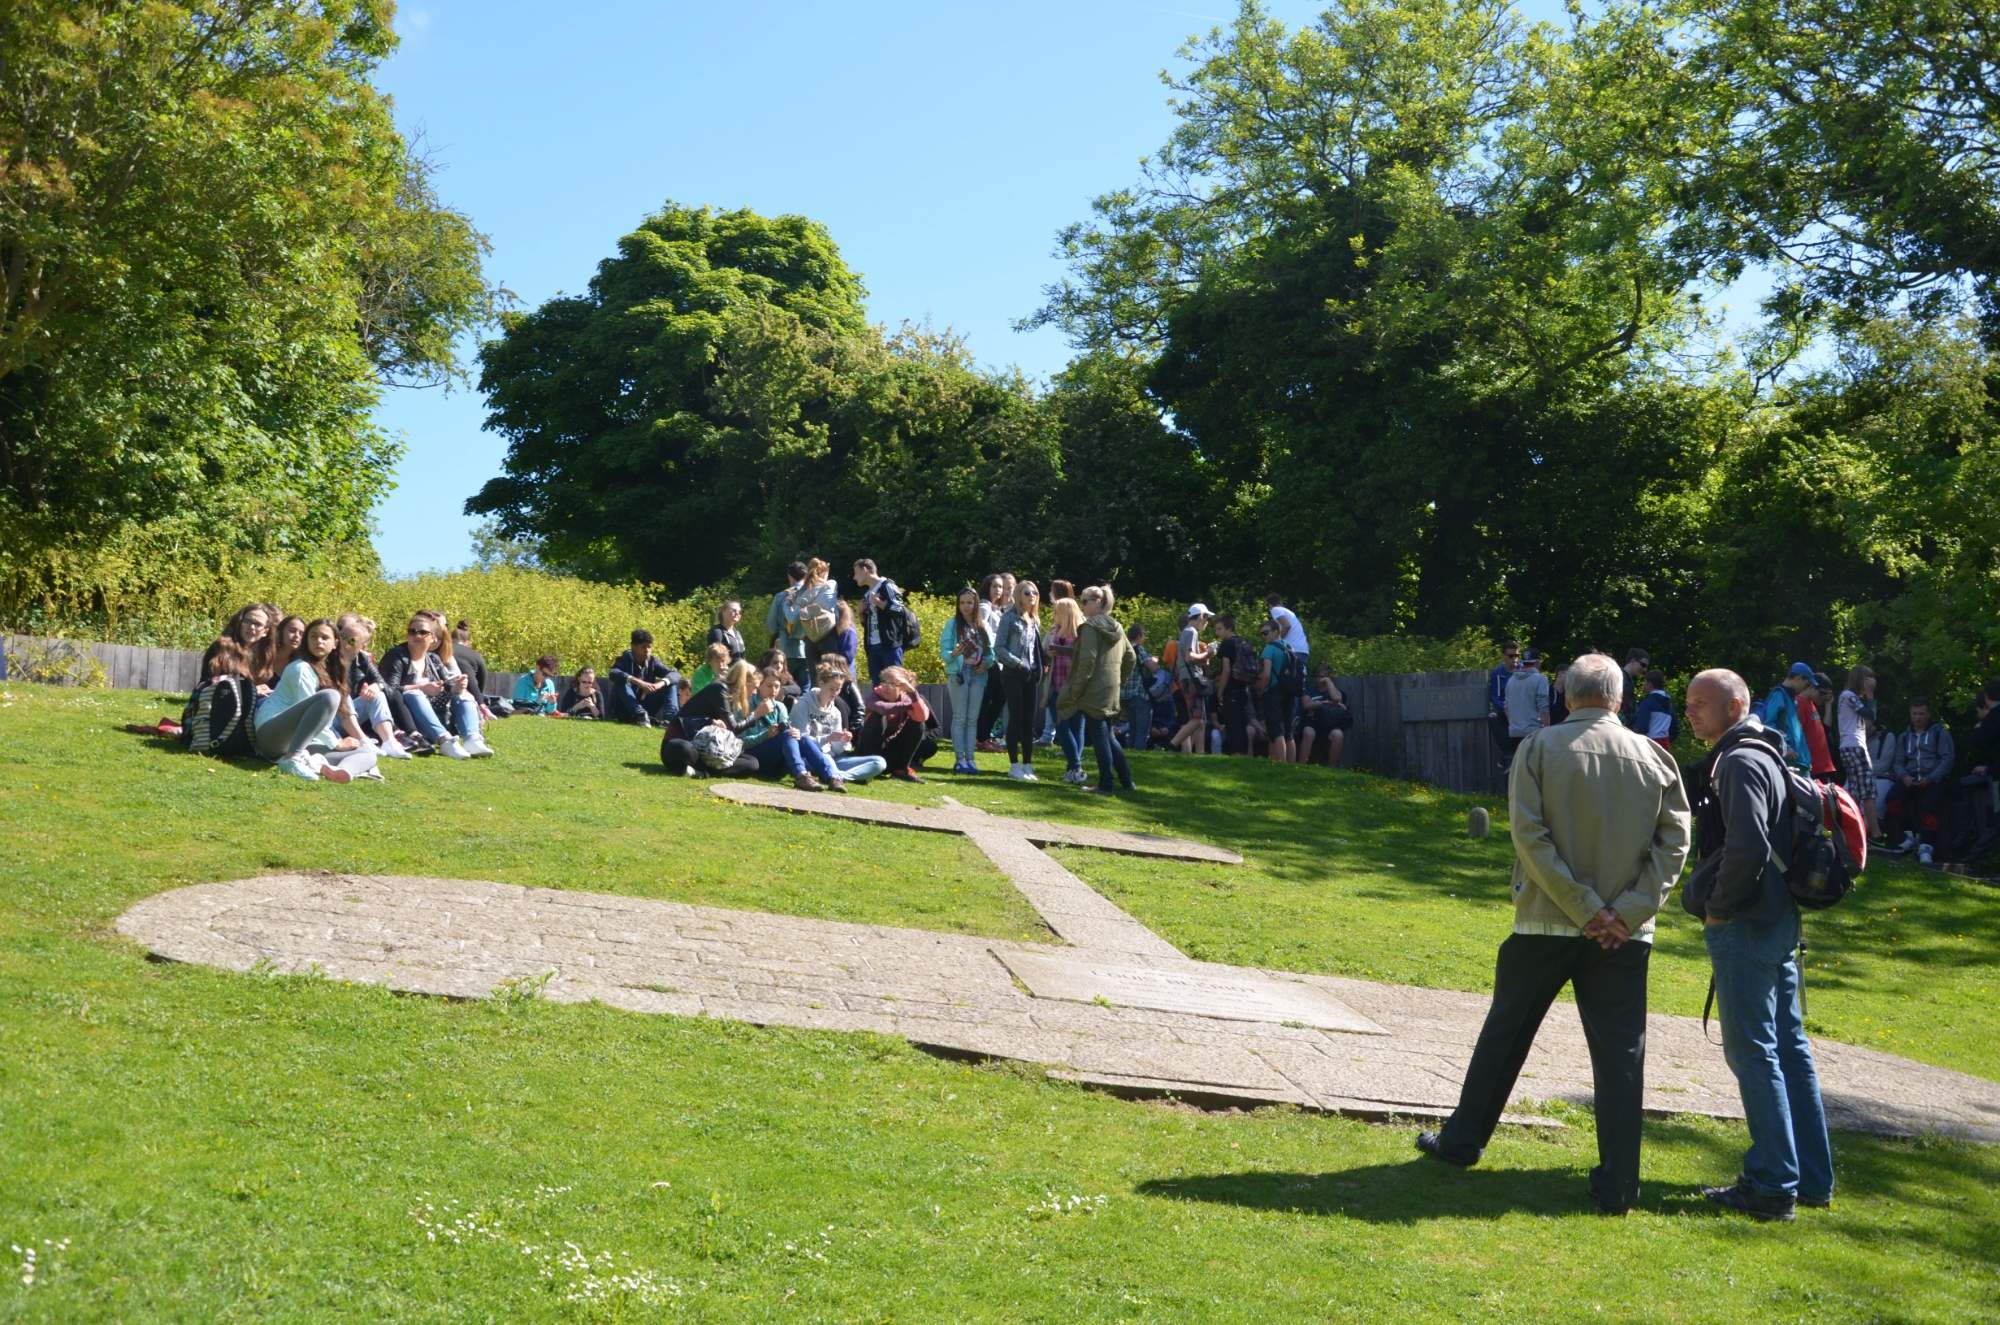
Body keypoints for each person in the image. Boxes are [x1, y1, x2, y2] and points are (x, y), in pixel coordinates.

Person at [1417, 654, 1690, 1216]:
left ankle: (1462, 1142)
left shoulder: (1539, 748)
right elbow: (1675, 845)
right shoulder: (1655, 757)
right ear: (1620, 699)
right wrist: (1626, 912)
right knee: (1621, 1056)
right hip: (1623, 934)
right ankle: (1620, 1182)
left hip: (1545, 920)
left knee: (1506, 1034)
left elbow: (1529, 837)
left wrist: (1585, 909)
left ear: (1567, 696)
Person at [1681, 668, 1833, 1221]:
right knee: (1789, 1048)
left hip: (1747, 920)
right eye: (1688, 702)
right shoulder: (1768, 751)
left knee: (1754, 1051)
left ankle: (1771, 1184)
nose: (1690, 711)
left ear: (1735, 706)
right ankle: (1810, 1178)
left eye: (1701, 702)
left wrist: (1719, 907)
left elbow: (1747, 846)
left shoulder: (1740, 760)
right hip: (1776, 917)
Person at [253, 618, 383, 783]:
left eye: (324, 637)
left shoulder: (331, 669)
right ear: (307, 641)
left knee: (368, 754)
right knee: (330, 696)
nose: (318, 641)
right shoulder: (300, 668)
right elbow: (309, 716)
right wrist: (336, 743)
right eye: (313, 636)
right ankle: (292, 759)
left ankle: (340, 771)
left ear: (335, 643)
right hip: (272, 735)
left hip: (298, 740)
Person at [1057, 585, 1137, 794]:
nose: (1082, 606)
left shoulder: (1090, 627)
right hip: (1111, 688)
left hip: (1092, 690)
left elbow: (1087, 661)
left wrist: (1076, 690)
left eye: (1085, 601)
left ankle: (1106, 784)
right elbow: (1131, 657)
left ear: (1098, 602)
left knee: (1100, 737)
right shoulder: (1117, 626)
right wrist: (1118, 680)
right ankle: (1127, 781)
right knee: (1107, 735)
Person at [726, 661, 845, 792]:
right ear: (759, 686)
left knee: (802, 738)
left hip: (778, 758)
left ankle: (832, 777)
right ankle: (801, 775)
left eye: (777, 686)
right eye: (769, 686)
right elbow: (741, 743)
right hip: (755, 757)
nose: (773, 690)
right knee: (788, 736)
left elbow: (787, 731)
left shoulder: (780, 706)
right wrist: (765, 735)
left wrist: (796, 733)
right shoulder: (747, 705)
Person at [380, 615, 487, 759]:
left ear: (433, 638)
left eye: (423, 632)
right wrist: (421, 687)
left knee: (464, 695)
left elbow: (448, 685)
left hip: (437, 713)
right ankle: (445, 741)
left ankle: (472, 739)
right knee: (414, 694)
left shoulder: (433, 659)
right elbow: (389, 690)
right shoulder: (396, 657)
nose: (417, 636)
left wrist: (457, 687)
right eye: (412, 631)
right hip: (409, 719)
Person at [792, 661, 888, 783]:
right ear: (821, 683)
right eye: (831, 689)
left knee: (879, 762)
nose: (835, 693)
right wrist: (827, 738)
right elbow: (802, 741)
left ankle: (839, 776)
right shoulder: (803, 705)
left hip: (833, 759)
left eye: (838, 689)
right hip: (809, 758)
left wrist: (842, 740)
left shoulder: (835, 712)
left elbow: (837, 750)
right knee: (826, 757)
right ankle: (835, 775)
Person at [1884, 699, 1955, 864]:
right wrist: (1904, 776)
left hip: (1933, 778)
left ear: (1928, 714)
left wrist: (1931, 778)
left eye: (1921, 713)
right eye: (1914, 714)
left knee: (1929, 806)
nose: (1918, 717)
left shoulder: (1939, 733)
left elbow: (1947, 759)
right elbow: (1898, 762)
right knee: (1893, 799)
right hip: (1910, 778)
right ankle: (1907, 836)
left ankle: (1926, 846)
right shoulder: (1904, 736)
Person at [333, 614, 411, 757]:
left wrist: (376, 686)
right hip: (329, 719)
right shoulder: (328, 657)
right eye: (342, 636)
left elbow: (386, 687)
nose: (344, 642)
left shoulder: (362, 660)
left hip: (349, 717)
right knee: (343, 694)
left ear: (362, 646)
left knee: (377, 695)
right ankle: (363, 741)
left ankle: (389, 742)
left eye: (351, 640)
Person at [940, 586, 994, 775]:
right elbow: (944, 652)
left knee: (972, 719)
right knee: (960, 717)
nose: (965, 606)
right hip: (959, 674)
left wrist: (986, 663)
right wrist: (954, 653)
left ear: (976, 603)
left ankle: (971, 760)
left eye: (969, 602)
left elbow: (991, 653)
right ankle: (960, 759)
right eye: (962, 602)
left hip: (978, 675)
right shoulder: (952, 624)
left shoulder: (983, 626)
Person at [994, 580, 1045, 780]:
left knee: (1028, 720)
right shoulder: (1009, 618)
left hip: (1030, 675)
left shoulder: (1034, 619)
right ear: (1018, 595)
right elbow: (999, 649)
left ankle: (1027, 765)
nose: (1032, 596)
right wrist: (1017, 663)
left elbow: (1035, 650)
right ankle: (1014, 765)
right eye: (1027, 592)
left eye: (1035, 593)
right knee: (1015, 718)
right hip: (1012, 674)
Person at [854, 664, 933, 783]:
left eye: (892, 683)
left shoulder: (908, 697)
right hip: (868, 751)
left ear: (902, 687)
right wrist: (910, 705)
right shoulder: (875, 695)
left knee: (918, 724)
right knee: (877, 717)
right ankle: (866, 768)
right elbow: (883, 708)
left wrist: (913, 693)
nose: (886, 687)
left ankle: (900, 770)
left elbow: (922, 717)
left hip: (890, 751)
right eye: (884, 682)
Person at [1043, 597, 1086, 782]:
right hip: (1056, 686)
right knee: (1062, 726)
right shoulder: (1054, 631)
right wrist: (1049, 651)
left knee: (1076, 727)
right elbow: (1044, 650)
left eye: (1057, 612)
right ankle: (1076, 767)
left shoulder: (1081, 633)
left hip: (1075, 688)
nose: (1054, 615)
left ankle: (1073, 769)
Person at [1837, 665, 1880, 841]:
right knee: (1868, 791)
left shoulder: (1846, 697)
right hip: (1855, 747)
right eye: (1868, 679)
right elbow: (1871, 715)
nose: (1872, 682)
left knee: (1855, 791)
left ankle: (1855, 832)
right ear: (1860, 680)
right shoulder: (1849, 696)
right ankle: (1876, 834)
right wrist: (1870, 695)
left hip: (1848, 746)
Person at [974, 573, 1013, 752]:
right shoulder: (984, 606)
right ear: (987, 587)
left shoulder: (996, 608)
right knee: (991, 698)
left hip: (997, 659)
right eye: (994, 586)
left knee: (996, 697)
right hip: (989, 659)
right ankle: (981, 737)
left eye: (1000, 586)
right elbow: (979, 630)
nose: (998, 590)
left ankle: (983, 735)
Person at [1169, 604, 1215, 755]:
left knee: (1199, 720)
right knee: (1197, 719)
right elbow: (1189, 657)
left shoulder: (1188, 632)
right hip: (1191, 679)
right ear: (1200, 616)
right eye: (1206, 618)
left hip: (1187, 678)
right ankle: (1173, 744)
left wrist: (1205, 658)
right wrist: (1207, 654)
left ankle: (1199, 755)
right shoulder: (1191, 631)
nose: (1207, 622)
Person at [608, 629, 678, 727]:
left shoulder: (653, 662)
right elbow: (613, 673)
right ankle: (640, 714)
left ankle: (670, 720)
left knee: (670, 683)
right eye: (644, 647)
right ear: (633, 647)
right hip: (624, 710)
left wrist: (659, 685)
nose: (647, 650)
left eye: (649, 647)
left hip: (646, 707)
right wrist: (639, 682)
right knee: (622, 680)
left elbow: (675, 675)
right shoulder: (625, 659)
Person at [853, 558, 907, 681]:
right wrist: (860, 614)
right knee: (877, 686)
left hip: (889, 646)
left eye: (856, 573)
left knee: (894, 683)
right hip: (873, 646)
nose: (854, 577)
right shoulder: (867, 594)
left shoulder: (887, 586)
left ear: (865, 570)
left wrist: (879, 603)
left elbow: (900, 610)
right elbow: (868, 624)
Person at [1212, 615, 1258, 756]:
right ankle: (1243, 755)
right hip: (1244, 688)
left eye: (1219, 629)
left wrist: (1220, 691)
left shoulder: (1227, 644)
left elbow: (1226, 670)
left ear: (1229, 629)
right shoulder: (1243, 642)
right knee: (1242, 724)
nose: (1217, 632)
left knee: (1233, 726)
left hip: (1231, 690)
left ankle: (1236, 755)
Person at [1760, 662, 1815, 772]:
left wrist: (1806, 758)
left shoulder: (1791, 698)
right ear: (1799, 678)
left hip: (1800, 762)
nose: (1806, 689)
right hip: (1791, 762)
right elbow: (1769, 724)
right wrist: (1785, 747)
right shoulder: (1779, 695)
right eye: (1807, 684)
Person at [786, 558, 840, 665]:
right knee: (832, 669)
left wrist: (791, 604)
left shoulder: (801, 591)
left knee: (813, 671)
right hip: (828, 633)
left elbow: (793, 616)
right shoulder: (830, 584)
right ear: (825, 572)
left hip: (810, 636)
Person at [1502, 649, 1551, 764]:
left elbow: (1506, 707)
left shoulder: (1511, 680)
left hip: (1514, 733)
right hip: (1534, 732)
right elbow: (1543, 707)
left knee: (1519, 767)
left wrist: (1513, 724)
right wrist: (1546, 729)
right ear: (1538, 662)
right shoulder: (1540, 679)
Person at [1255, 619, 1294, 764]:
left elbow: (1266, 674)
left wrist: (1261, 689)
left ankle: (1281, 764)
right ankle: (1292, 766)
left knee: (1276, 730)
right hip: (1289, 691)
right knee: (1289, 731)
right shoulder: (1289, 647)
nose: (1263, 636)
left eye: (1266, 633)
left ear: (1277, 632)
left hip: (1274, 692)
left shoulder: (1269, 649)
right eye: (1261, 634)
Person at [1297, 667, 1350, 767]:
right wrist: (1324, 703)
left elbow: (1336, 699)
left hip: (1330, 723)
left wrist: (1328, 682)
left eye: (1325, 677)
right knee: (1308, 733)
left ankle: (1332, 768)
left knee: (1338, 735)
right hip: (1312, 721)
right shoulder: (1310, 691)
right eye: (1319, 676)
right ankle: (1301, 765)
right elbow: (1306, 705)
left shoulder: (1337, 692)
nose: (1321, 679)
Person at [1795, 673, 1837, 783]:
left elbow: (1825, 729)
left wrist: (1828, 704)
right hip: (1814, 768)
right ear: (1811, 686)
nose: (1823, 697)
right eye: (1822, 693)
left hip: (1823, 767)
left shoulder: (1810, 703)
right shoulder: (1799, 704)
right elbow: (1797, 737)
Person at [1487, 639, 1522, 768]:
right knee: (1493, 716)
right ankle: (1508, 753)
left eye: (1517, 655)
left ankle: (1506, 757)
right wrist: (1508, 709)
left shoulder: (1523, 670)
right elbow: (1495, 697)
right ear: (1504, 656)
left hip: (1522, 707)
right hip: (1505, 707)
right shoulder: (1497, 673)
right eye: (1511, 656)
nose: (1515, 659)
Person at [766, 561, 808, 669]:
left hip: (784, 650)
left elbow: (771, 625)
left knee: (785, 679)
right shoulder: (813, 594)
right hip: (808, 649)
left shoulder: (781, 596)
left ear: (790, 576)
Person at [1122, 623, 1154, 753]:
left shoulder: (1123, 648)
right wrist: (1155, 661)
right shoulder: (1138, 648)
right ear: (1139, 636)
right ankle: (1139, 751)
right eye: (1144, 635)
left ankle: (1130, 750)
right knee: (1142, 726)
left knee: (1132, 725)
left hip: (1124, 694)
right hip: (1137, 693)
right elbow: (1152, 667)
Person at [1632, 668, 1676, 748]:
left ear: (1650, 684)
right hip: (1664, 745)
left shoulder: (1648, 702)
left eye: (1645, 682)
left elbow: (1642, 727)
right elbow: (1674, 730)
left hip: (1649, 745)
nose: (1643, 685)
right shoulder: (1669, 706)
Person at [450, 622, 490, 700]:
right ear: (468, 642)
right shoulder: (476, 655)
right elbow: (482, 684)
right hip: (469, 697)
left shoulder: (441, 651)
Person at [706, 600, 747, 664]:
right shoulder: (717, 632)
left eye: (739, 611)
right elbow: (715, 657)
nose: (737, 613)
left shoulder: (737, 633)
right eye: (734, 610)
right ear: (723, 612)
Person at [1618, 649, 1650, 728]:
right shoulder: (1619, 677)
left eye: (1646, 667)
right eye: (1643, 665)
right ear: (1632, 661)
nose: (1645, 670)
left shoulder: (1629, 680)